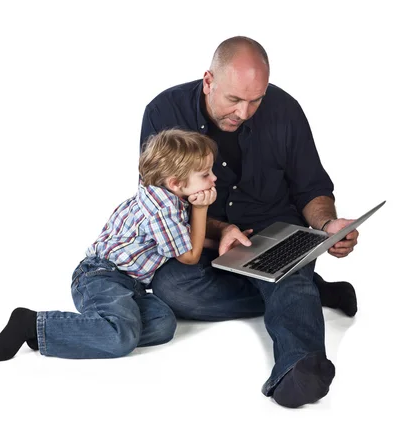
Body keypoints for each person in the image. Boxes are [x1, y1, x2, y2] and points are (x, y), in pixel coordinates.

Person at [140, 36, 360, 408]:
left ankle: (298, 367)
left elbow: (312, 188)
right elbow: (158, 202)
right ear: (208, 81)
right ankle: (311, 292)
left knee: (286, 272)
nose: (244, 112)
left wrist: (326, 226)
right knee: (171, 288)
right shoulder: (165, 112)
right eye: (234, 100)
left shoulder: (286, 110)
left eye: (255, 100)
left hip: (276, 236)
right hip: (205, 245)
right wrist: (221, 229)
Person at [0, 129, 218, 361]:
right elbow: (189, 256)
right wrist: (201, 209)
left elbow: (183, 239)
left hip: (129, 285)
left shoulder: (162, 196)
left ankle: (67, 332)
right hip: (102, 276)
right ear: (175, 183)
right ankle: (31, 323)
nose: (214, 179)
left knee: (163, 324)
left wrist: (220, 241)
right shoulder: (162, 210)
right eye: (206, 174)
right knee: (120, 339)